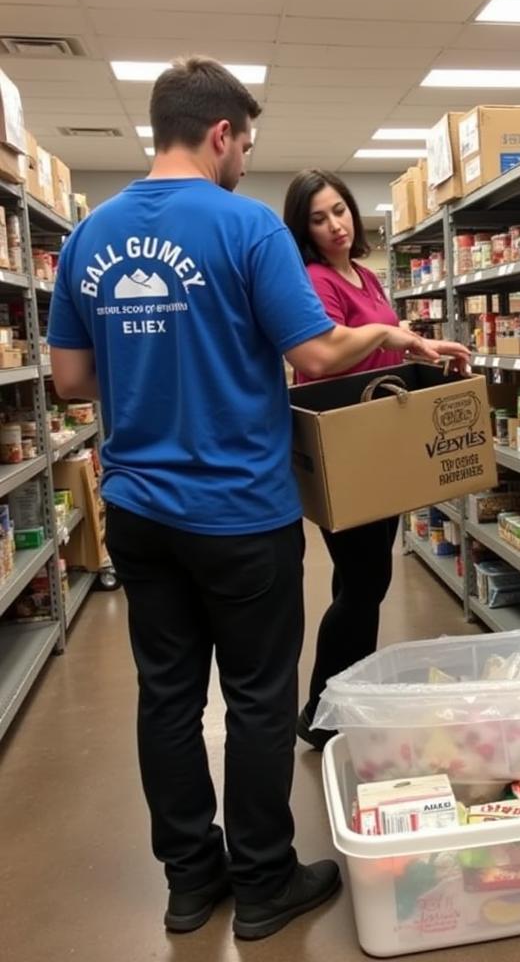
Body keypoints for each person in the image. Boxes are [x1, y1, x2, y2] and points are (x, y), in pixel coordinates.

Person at [47, 56, 469, 941]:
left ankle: (191, 882)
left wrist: (151, 366)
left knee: (166, 697)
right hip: (241, 507)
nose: (244, 159)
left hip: (139, 509)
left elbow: (69, 381)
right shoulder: (246, 228)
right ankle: (266, 882)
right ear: (222, 134)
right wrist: (392, 332)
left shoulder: (91, 238)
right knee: (256, 699)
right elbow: (314, 358)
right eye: (245, 142)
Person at [283, 169, 404, 751]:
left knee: (367, 579)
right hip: (344, 444)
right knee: (362, 582)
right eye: (319, 217)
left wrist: (411, 342)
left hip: (380, 440)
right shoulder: (315, 279)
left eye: (340, 211)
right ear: (303, 229)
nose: (335, 225)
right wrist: (385, 333)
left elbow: (386, 340)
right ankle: (323, 708)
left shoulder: (366, 275)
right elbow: (327, 353)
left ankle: (347, 698)